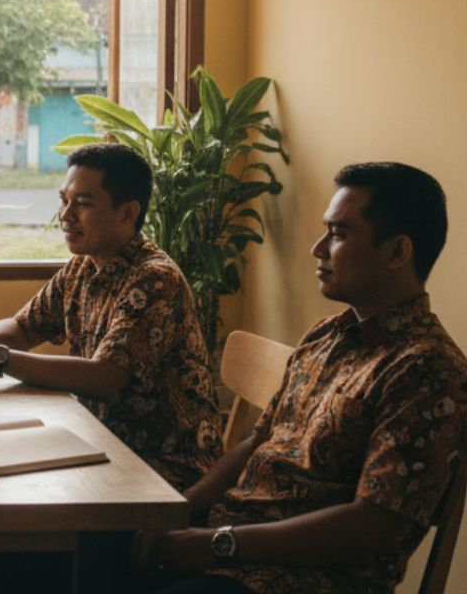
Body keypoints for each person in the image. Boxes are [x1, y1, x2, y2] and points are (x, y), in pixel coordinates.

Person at [137, 162, 466, 594]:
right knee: (81, 556)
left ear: (396, 252)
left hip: (300, 578)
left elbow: (373, 527)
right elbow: (257, 440)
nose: (318, 248)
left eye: (339, 234)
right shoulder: (326, 336)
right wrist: (176, 514)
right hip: (228, 546)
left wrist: (218, 544)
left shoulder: (427, 371)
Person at [0, 143, 222, 491]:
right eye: (64, 201)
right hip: (95, 439)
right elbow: (24, 327)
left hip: (158, 467)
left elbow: (104, 378)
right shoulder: (82, 266)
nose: (66, 216)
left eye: (82, 203)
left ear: (127, 213)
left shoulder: (155, 280)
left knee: (2, 493)